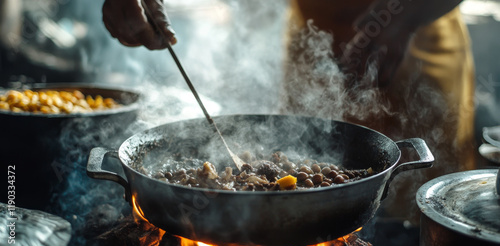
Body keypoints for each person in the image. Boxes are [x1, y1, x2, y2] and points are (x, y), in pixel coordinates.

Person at [102, 0, 476, 224]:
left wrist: (404, 16)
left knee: (420, 212)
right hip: (314, 27)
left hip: (414, 31)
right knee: (307, 167)